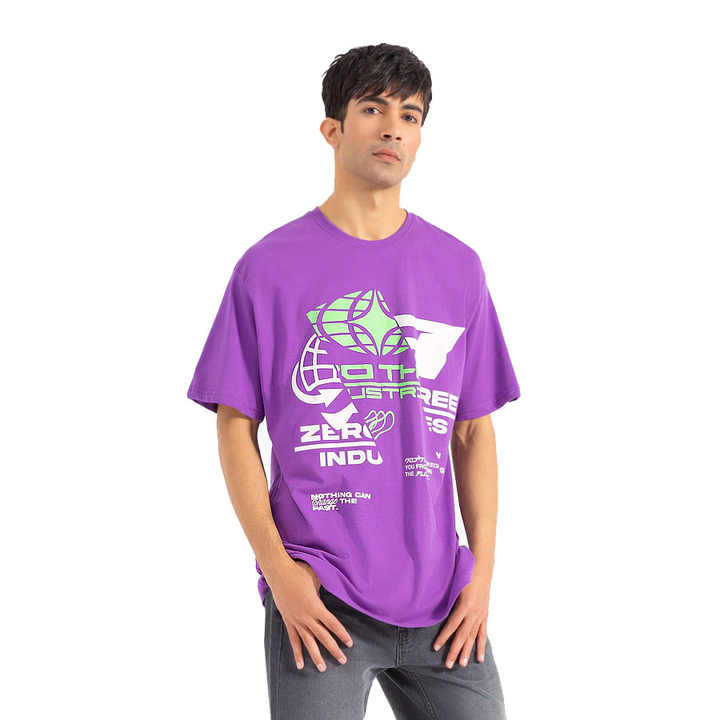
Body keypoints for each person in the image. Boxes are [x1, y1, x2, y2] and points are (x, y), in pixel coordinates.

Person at [187, 43, 520, 720]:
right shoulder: (268, 268)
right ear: (332, 129)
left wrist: (482, 575)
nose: (393, 128)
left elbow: (473, 431)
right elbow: (234, 428)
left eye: (410, 115)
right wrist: (280, 575)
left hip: (444, 602)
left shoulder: (458, 268)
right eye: (373, 109)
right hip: (321, 595)